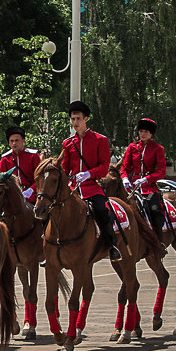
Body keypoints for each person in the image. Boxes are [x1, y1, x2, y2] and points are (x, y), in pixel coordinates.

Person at [61, 101, 122, 261]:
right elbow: (65, 168)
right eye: (73, 119)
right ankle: (50, 247)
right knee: (51, 209)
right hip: (73, 187)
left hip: (91, 186)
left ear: (86, 119)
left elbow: (104, 167)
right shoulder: (67, 143)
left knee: (102, 210)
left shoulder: (99, 140)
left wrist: (88, 174)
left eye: (78, 119)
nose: (75, 122)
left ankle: (111, 245)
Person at [120, 117, 168, 246]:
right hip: (132, 186)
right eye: (141, 131)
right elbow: (125, 167)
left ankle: (159, 241)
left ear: (151, 134)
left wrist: (147, 179)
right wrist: (124, 178)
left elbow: (161, 171)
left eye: (146, 131)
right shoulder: (132, 147)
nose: (142, 134)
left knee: (155, 210)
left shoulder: (158, 149)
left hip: (149, 187)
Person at [0, 125, 42, 201]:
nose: (14, 143)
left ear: (23, 140)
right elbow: (0, 180)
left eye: (17, 140)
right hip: (12, 197)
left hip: (32, 195)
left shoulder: (33, 156)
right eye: (12, 141)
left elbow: (40, 177)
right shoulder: (5, 159)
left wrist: (31, 190)